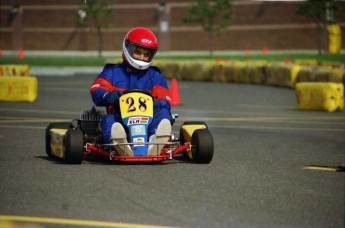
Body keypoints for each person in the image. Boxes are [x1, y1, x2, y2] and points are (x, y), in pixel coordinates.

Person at [90, 27, 172, 156]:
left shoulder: (154, 76)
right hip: (120, 118)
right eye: (137, 52)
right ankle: (120, 143)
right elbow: (96, 90)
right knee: (108, 120)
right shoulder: (112, 72)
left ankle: (154, 141)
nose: (141, 57)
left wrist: (158, 103)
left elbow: (165, 99)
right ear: (127, 48)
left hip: (148, 121)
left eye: (146, 55)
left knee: (163, 113)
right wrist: (108, 96)